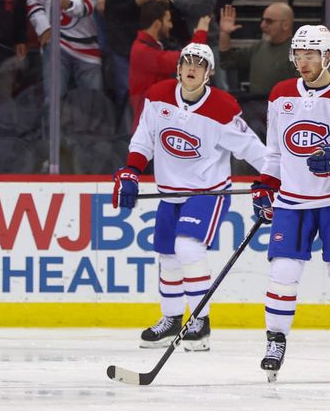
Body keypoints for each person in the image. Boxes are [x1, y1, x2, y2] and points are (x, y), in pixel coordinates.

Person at [112, 40, 267, 350]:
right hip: (170, 193)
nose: (192, 67)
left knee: (188, 247)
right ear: (178, 67)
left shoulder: (223, 109)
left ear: (208, 73)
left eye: (200, 64)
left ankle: (200, 322)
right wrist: (131, 170)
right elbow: (144, 139)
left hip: (208, 192)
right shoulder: (157, 98)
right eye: (187, 62)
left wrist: (270, 181)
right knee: (168, 256)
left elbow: (255, 151)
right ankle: (170, 320)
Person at [250, 25, 330, 382]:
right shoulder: (280, 95)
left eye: (311, 54)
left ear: (327, 56)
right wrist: (265, 185)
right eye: (298, 54)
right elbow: (276, 151)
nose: (303, 61)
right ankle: (275, 342)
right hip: (293, 201)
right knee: (283, 274)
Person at [27, 0, 103, 101]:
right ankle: (48, 128)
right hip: (56, 44)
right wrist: (44, 28)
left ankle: (90, 128)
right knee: (53, 98)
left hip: (86, 47)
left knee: (93, 99)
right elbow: (33, 3)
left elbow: (86, 6)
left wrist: (68, 4)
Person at [218, 3, 296, 140]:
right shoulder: (259, 48)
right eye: (263, 20)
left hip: (282, 114)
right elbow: (227, 62)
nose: (262, 26)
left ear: (285, 25)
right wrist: (225, 34)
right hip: (254, 109)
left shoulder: (297, 53)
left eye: (269, 21)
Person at [128, 2, 208, 126]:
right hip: (148, 129)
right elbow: (185, 61)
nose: (171, 25)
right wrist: (200, 34)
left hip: (156, 122)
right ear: (157, 24)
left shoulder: (149, 47)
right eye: (168, 21)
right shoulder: (142, 51)